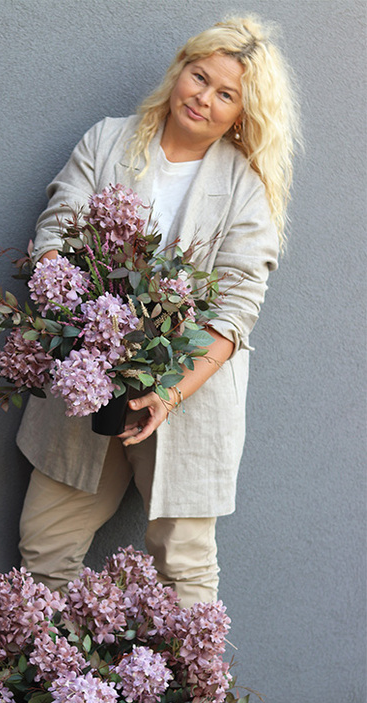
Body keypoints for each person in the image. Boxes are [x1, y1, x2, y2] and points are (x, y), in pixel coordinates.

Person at [15, 16, 301, 608]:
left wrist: (166, 394)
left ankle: (196, 701)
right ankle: (49, 692)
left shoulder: (246, 189)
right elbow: (57, 225)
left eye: (227, 95)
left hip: (187, 396)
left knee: (185, 568)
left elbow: (234, 312)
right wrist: (73, 308)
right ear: (180, 69)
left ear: (242, 115)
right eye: (201, 77)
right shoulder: (108, 141)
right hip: (86, 383)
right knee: (45, 548)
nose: (205, 98)